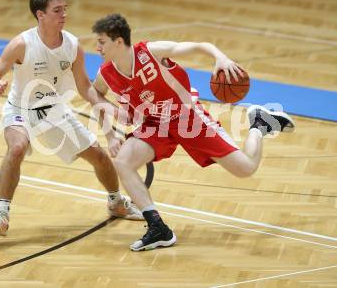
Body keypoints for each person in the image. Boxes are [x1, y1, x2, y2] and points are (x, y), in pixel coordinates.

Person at [91, 13, 295, 251]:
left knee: (246, 168)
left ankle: (259, 125)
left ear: (118, 42)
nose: (97, 47)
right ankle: (158, 228)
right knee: (123, 161)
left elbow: (199, 46)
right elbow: (95, 96)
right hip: (156, 124)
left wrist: (221, 58)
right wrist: (110, 134)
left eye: (102, 42)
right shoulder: (106, 73)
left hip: (187, 118)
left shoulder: (151, 51)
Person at [0, 0, 143, 236]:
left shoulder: (72, 45)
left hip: (53, 111)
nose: (63, 15)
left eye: (64, 9)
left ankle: (116, 202)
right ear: (40, 15)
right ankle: (1, 214)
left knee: (100, 157)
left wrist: (111, 115)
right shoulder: (21, 44)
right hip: (19, 109)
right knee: (17, 147)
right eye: (57, 10)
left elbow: (86, 88)